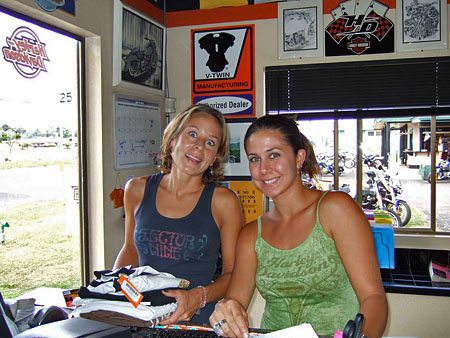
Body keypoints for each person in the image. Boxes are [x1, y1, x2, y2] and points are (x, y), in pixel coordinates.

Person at [209, 115, 388, 338]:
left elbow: (374, 299)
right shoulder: (251, 234)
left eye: (274, 155)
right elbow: (234, 303)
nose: (264, 168)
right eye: (255, 159)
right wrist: (225, 311)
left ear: (299, 157)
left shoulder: (335, 210)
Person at [114, 104, 243, 324]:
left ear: (214, 157)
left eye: (210, 142)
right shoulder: (136, 189)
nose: (199, 146)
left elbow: (234, 274)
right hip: (143, 315)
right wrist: (115, 286)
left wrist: (196, 297)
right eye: (192, 134)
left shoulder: (224, 202)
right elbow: (130, 249)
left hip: (196, 319)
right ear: (172, 139)